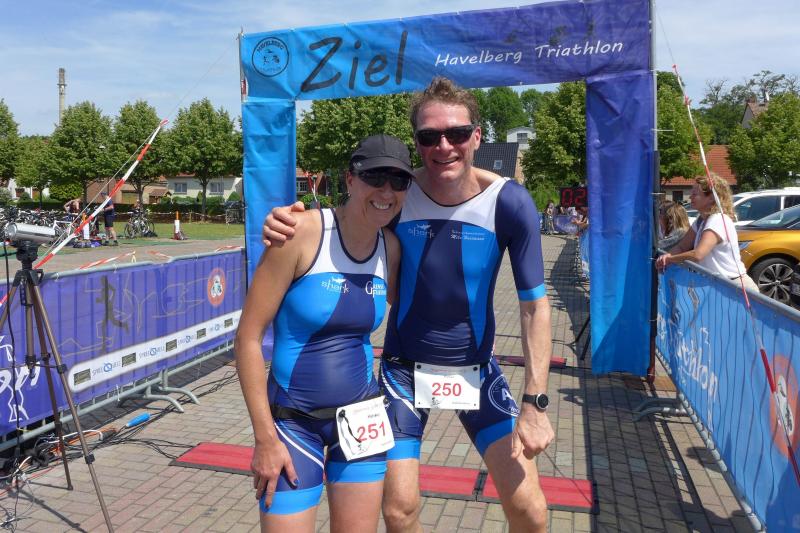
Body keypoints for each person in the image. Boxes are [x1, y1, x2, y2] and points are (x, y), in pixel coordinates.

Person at [263, 77, 554, 532]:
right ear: (417, 142)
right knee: (399, 510)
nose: (444, 146)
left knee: (531, 511)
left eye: (457, 133)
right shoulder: (397, 193)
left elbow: (535, 307)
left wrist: (535, 403)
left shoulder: (509, 202)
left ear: (478, 136)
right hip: (404, 373)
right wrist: (286, 218)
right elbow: (342, 220)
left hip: (476, 370)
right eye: (429, 136)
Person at [236, 134, 411, 532]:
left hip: (361, 419)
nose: (386, 191)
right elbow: (247, 338)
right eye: (375, 177)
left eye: (398, 181)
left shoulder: (391, 247)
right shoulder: (298, 232)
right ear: (350, 179)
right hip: (292, 424)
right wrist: (264, 439)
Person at [656, 174, 758, 292]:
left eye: (695, 194)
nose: (690, 197)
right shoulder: (701, 220)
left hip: (735, 288)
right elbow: (682, 246)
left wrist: (670, 259)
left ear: (711, 198)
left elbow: (698, 254)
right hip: (720, 286)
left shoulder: (717, 220)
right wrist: (667, 256)